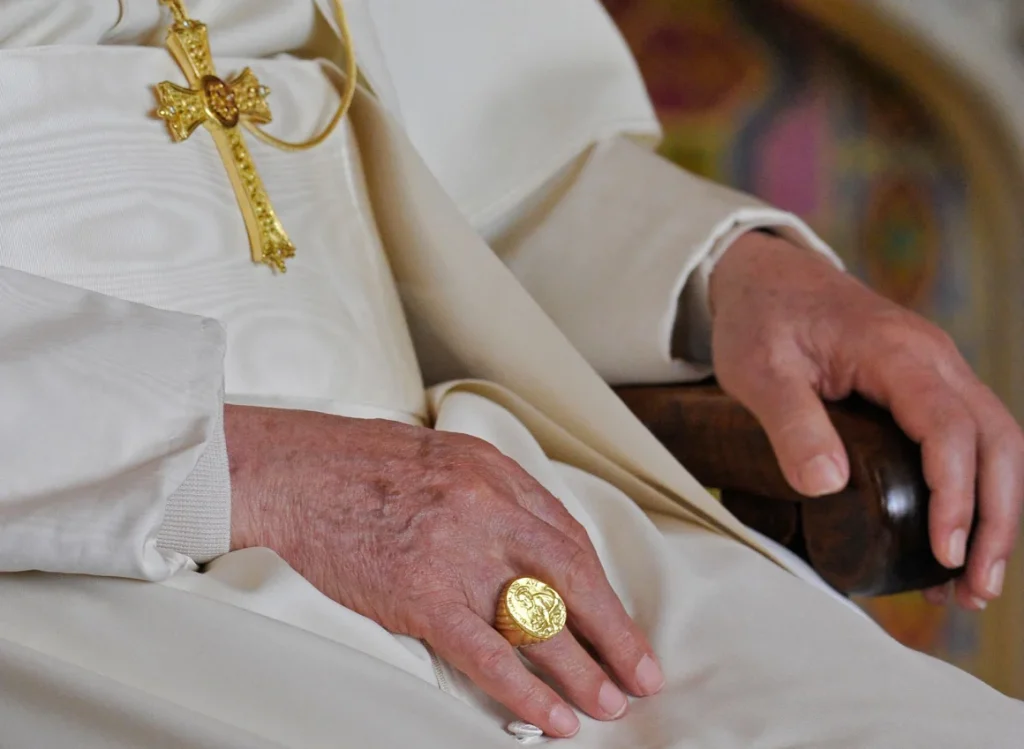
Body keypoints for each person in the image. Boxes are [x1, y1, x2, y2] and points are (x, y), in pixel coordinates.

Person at [1, 0, 1022, 746]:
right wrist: (234, 463)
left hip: (471, 474)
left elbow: (489, 153)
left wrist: (732, 269)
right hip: (64, 524)